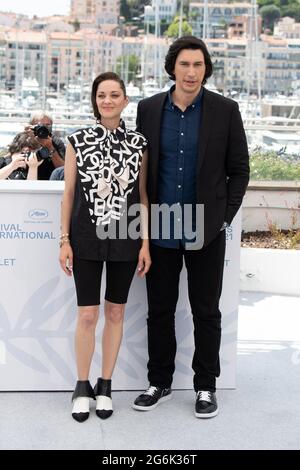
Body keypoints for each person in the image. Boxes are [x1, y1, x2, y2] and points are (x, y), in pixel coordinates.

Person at [133, 36, 250, 418]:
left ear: (206, 69)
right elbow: (140, 170)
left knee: (206, 311)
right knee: (160, 310)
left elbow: (239, 171)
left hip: (206, 227)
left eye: (198, 65)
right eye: (185, 64)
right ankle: (159, 381)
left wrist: (222, 219)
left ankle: (205, 387)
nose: (191, 72)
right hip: (161, 223)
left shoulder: (225, 110)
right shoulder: (148, 109)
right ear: (172, 67)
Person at [59, 72, 150, 422]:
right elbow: (68, 195)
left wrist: (145, 243)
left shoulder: (139, 143)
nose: (108, 100)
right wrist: (64, 240)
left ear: (125, 100)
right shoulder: (77, 141)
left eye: (115, 95)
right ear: (94, 101)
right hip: (84, 237)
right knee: (87, 313)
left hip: (127, 237)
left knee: (115, 312)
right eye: (101, 95)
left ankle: (106, 385)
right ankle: (82, 385)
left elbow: (142, 196)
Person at [26, 112, 65, 180]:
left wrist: (50, 147)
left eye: (47, 125)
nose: (43, 128)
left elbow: (63, 170)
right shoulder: (25, 139)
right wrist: (29, 140)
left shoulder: (56, 141)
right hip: (27, 178)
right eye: (40, 125)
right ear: (31, 126)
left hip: (50, 180)